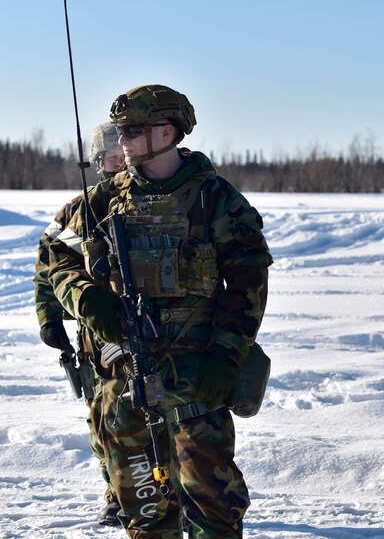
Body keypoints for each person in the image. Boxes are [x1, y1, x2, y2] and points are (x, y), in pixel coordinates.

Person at [48, 84, 273, 538]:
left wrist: (225, 357)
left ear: (167, 131)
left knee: (215, 509)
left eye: (132, 130)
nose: (122, 140)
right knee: (145, 514)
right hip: (124, 383)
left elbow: (248, 283)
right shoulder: (102, 200)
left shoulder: (216, 199)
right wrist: (87, 300)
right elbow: (57, 258)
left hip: (196, 380)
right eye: (119, 130)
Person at [33, 121, 126, 526]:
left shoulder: (154, 200)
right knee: (102, 418)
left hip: (152, 331)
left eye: (125, 158)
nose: (120, 166)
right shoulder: (79, 210)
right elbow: (47, 264)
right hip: (94, 336)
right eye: (111, 160)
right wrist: (48, 316)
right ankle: (115, 491)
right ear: (98, 162)